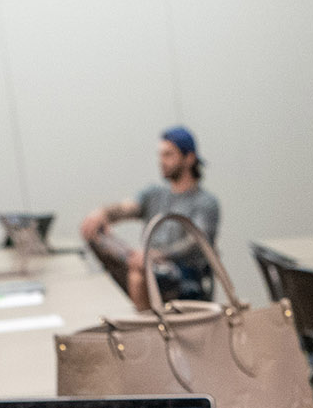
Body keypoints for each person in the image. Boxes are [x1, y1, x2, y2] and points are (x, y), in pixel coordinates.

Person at [78, 125, 222, 303]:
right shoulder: (154, 194)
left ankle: (149, 324)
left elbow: (196, 243)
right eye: (160, 155)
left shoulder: (205, 202)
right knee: (98, 235)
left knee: (139, 275)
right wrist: (102, 214)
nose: (162, 161)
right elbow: (128, 207)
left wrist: (155, 254)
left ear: (189, 158)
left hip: (185, 275)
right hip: (147, 265)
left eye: (168, 155)